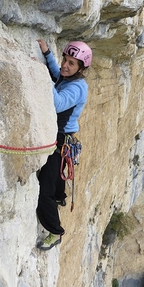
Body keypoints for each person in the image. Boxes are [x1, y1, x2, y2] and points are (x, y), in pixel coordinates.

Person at [35, 39, 92, 251]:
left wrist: (40, 74)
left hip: (60, 142)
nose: (65, 66)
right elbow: (57, 75)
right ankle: (59, 197)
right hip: (58, 139)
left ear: (81, 68)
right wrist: (48, 54)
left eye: (71, 64)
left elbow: (58, 103)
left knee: (44, 189)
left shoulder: (77, 87)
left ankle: (55, 231)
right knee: (51, 177)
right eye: (65, 60)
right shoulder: (68, 79)